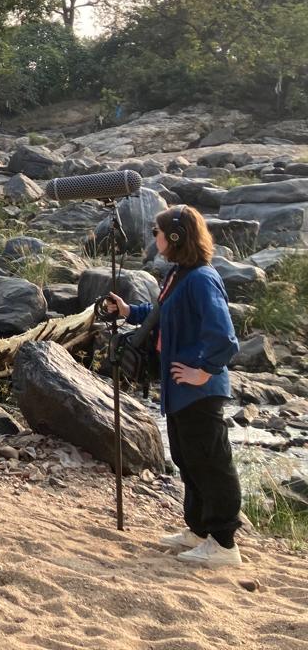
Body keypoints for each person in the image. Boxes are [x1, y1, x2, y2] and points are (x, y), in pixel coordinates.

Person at [103, 205, 242, 567]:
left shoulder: (201, 278)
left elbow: (225, 338)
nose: (155, 237)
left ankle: (224, 543)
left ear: (176, 237)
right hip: (179, 389)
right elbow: (163, 314)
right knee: (187, 459)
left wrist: (204, 371)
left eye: (158, 232)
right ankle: (198, 531)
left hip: (199, 390)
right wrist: (127, 312)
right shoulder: (178, 274)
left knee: (211, 462)